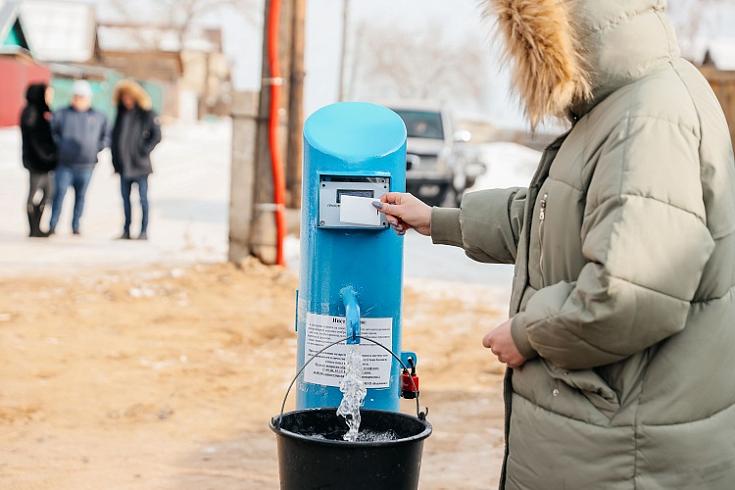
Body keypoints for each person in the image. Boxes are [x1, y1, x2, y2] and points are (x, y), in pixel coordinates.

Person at [375, 1, 735, 488]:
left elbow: (633, 292)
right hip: (602, 438)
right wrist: (440, 221)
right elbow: (557, 216)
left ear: (561, 31)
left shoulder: (647, 120)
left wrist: (526, 335)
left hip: (621, 453)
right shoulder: (624, 103)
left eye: (524, 42)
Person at [49, 80, 109, 236]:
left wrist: (97, 147)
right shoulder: (62, 114)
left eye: (82, 97)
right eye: (76, 96)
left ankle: (75, 225)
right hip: (64, 164)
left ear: (88, 98)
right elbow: (52, 133)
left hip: (86, 165)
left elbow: (107, 136)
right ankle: (53, 224)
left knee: (80, 197)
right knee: (59, 194)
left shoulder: (98, 116)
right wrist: (60, 146)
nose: (79, 100)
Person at [111, 80, 161, 240]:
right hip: (123, 165)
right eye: (124, 97)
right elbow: (115, 138)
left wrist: (143, 150)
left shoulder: (146, 113)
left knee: (143, 199)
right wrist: (115, 160)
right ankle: (126, 230)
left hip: (140, 165)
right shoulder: (120, 114)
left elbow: (157, 135)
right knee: (125, 200)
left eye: (130, 97)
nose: (127, 100)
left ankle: (143, 231)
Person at [20, 83, 57, 237]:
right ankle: (33, 228)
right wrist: (46, 156)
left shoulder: (43, 110)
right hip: (37, 163)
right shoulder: (31, 111)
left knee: (48, 193)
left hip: (45, 162)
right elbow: (34, 138)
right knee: (34, 193)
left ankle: (37, 226)